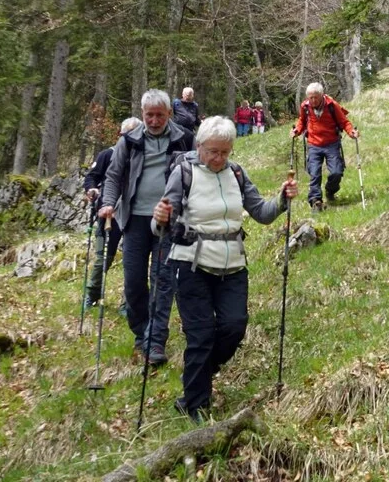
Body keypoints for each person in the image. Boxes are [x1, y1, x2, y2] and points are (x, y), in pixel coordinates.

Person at [152, 116, 298, 422]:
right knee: (201, 335)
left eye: (225, 152)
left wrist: (282, 200)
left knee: (235, 326)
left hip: (232, 264)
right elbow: (161, 222)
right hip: (190, 262)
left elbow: (261, 212)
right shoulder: (184, 172)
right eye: (213, 152)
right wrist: (160, 218)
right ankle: (195, 407)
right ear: (200, 147)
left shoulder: (236, 174)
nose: (219, 158)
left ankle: (202, 372)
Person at [99, 90, 195, 365]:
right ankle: (141, 331)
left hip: (168, 219)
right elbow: (113, 176)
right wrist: (108, 203)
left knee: (164, 281)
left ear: (169, 114)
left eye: (159, 115)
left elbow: (194, 173)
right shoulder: (128, 141)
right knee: (133, 283)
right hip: (134, 221)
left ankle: (155, 342)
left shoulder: (184, 139)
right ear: (142, 115)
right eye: (149, 115)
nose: (154, 121)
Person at [82, 116, 142, 309]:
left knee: (132, 260)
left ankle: (128, 303)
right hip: (108, 216)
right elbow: (91, 177)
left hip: (134, 215)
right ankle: (92, 294)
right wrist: (92, 190)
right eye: (127, 135)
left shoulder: (144, 158)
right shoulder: (107, 155)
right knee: (103, 255)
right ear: (120, 135)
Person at [291, 82, 359, 213]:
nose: (313, 100)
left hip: (332, 143)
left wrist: (351, 132)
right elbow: (301, 121)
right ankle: (316, 201)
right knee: (314, 173)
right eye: (310, 97)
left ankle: (330, 190)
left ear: (322, 95)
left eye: (315, 97)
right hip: (314, 144)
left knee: (336, 173)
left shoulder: (332, 105)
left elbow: (344, 121)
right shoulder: (305, 106)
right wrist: (297, 131)